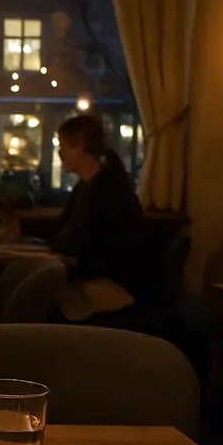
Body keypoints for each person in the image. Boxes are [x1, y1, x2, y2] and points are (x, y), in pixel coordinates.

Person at [47, 114, 154, 321]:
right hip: (95, 277)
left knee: (37, 298)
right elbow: (63, 237)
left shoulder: (106, 189)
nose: (60, 154)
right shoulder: (88, 185)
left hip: (113, 287)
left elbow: (71, 242)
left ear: (80, 146)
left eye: (64, 146)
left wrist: (68, 258)